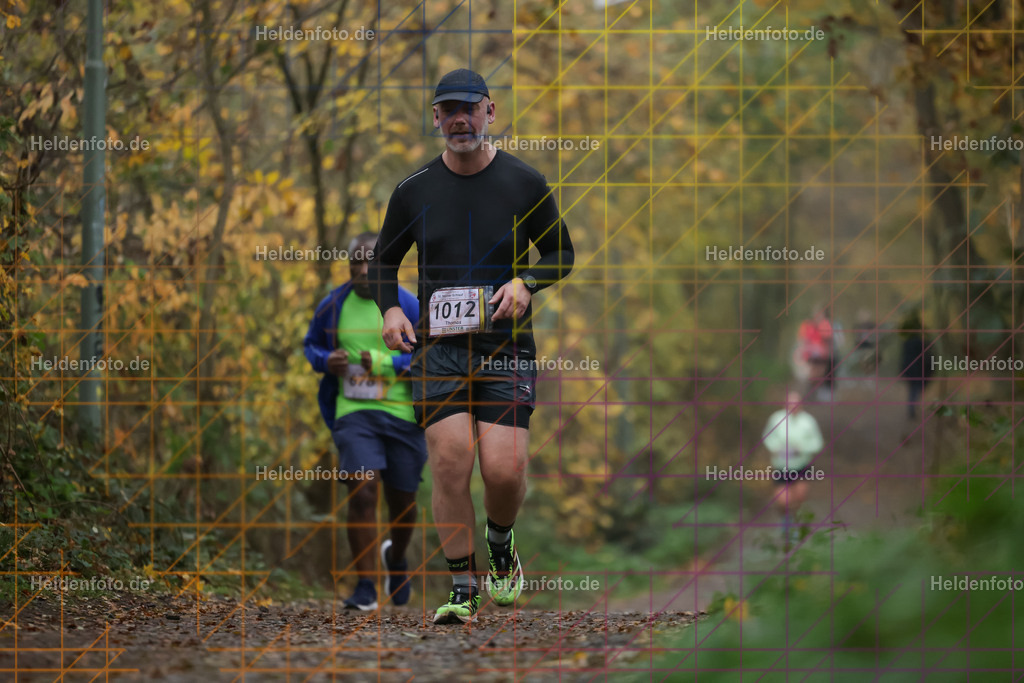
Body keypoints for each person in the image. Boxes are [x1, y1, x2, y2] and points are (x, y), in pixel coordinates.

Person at [367, 68, 574, 624]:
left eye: (469, 108)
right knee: (450, 460)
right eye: (448, 110)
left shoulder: (524, 183)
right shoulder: (413, 191)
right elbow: (384, 262)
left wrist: (525, 283)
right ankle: (463, 587)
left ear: (490, 112)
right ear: (435, 118)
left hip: (505, 348)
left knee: (504, 471)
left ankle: (501, 546)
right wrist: (390, 308)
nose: (460, 119)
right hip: (440, 350)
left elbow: (560, 253)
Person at [304, 232, 427, 611]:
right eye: (355, 261)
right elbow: (311, 345)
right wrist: (327, 362)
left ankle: (397, 559)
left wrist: (388, 362)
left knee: (402, 502)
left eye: (370, 260)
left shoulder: (407, 304)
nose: (361, 269)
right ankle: (365, 587)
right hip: (353, 412)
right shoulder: (333, 305)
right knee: (362, 491)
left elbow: (430, 355)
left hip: (403, 415)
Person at [761, 390, 824, 545]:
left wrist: (802, 448)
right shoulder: (776, 419)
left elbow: (817, 443)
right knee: (782, 501)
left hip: (801, 466)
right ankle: (785, 520)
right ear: (785, 404)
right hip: (782, 467)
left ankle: (796, 526)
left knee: (799, 497)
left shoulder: (808, 421)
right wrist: (775, 448)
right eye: (790, 403)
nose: (793, 407)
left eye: (796, 404)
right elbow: (767, 437)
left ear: (801, 405)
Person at [899, 312, 933, 419]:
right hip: (917, 370)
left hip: (911, 369)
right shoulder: (919, 342)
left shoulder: (907, 342)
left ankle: (912, 407)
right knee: (915, 389)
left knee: (913, 389)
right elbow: (925, 356)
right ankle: (912, 408)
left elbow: (904, 357)